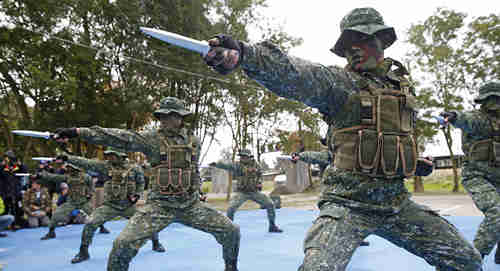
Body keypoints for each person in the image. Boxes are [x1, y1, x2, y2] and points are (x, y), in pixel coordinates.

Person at [202, 7, 482, 271]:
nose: (353, 49)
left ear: (381, 40)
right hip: (347, 205)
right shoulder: (339, 85)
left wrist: (412, 162)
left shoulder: (402, 91)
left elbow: (391, 140)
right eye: (347, 44)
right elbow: (295, 73)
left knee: (466, 260)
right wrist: (246, 55)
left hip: (396, 204)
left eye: (361, 39)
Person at [54, 97, 240, 271]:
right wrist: (77, 132)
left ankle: (231, 268)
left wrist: (197, 189)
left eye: (169, 116)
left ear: (180, 117)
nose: (163, 120)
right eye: (161, 116)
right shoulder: (151, 139)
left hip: (191, 206)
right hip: (159, 207)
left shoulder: (194, 141)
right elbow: (119, 137)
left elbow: (193, 170)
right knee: (122, 244)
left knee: (231, 231)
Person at [61, 148, 165, 264]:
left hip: (128, 206)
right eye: (108, 155)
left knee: (147, 222)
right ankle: (83, 252)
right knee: (90, 222)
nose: (109, 157)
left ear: (121, 155)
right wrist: (68, 158)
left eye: (112, 155)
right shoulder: (106, 166)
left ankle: (156, 243)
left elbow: (141, 183)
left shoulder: (134, 168)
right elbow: (88, 163)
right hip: (109, 206)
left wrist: (137, 194)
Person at [440, 81, 500, 264]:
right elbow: (465, 119)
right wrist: (454, 116)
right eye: (490, 100)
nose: (494, 103)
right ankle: (470, 261)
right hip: (477, 176)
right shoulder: (478, 119)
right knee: (497, 213)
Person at [210, 149, 283, 233]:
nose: (242, 158)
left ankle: (272, 226)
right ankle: (229, 229)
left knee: (270, 204)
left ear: (250, 157)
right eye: (241, 156)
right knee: (231, 208)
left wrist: (259, 183)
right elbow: (228, 166)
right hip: (242, 193)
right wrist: (217, 164)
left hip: (254, 192)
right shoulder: (238, 165)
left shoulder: (256, 165)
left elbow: (259, 175)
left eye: (244, 156)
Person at [37, 160, 94, 240]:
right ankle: (51, 232)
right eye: (68, 168)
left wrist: (89, 195)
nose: (69, 169)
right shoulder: (67, 177)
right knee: (56, 214)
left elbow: (91, 187)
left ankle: (102, 227)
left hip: (83, 202)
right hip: (71, 202)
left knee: (94, 215)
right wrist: (42, 174)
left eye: (71, 168)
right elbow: (54, 177)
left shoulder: (86, 177)